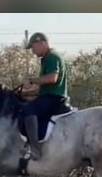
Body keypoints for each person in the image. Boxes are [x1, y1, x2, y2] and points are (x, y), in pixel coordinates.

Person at [19, 32, 69, 160]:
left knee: (27, 110)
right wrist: (24, 93)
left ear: (42, 43)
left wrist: (31, 81)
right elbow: (44, 88)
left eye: (33, 47)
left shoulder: (52, 56)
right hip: (49, 96)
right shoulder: (47, 58)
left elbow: (52, 78)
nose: (33, 51)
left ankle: (35, 150)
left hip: (54, 98)